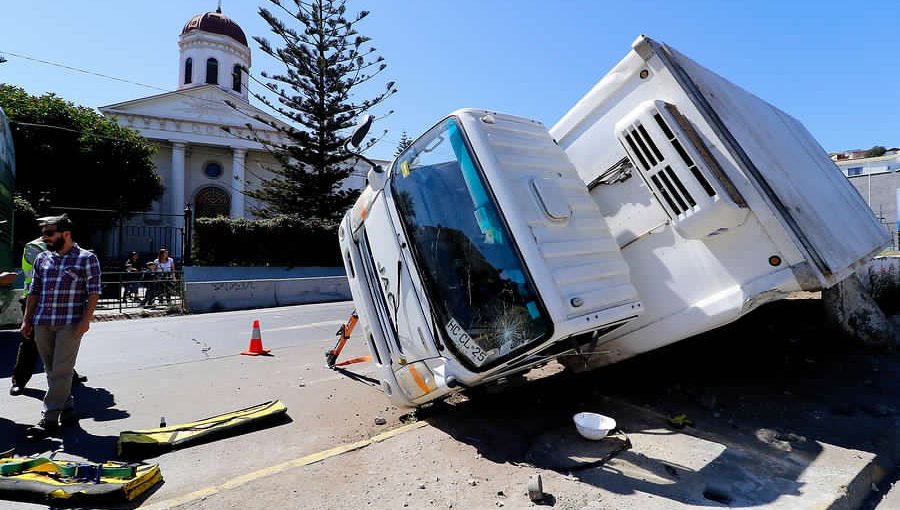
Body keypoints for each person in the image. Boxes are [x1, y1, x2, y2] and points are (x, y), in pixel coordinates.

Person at [20, 214, 101, 435]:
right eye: (43, 233)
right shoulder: (42, 259)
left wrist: (86, 320)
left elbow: (94, 292)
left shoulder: (86, 258)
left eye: (49, 233)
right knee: (51, 369)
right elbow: (34, 291)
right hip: (42, 321)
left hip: (70, 323)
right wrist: (27, 319)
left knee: (62, 370)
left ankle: (49, 418)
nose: (44, 238)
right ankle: (66, 409)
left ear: (65, 233)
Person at [10, 231, 85, 397]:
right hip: (35, 300)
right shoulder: (34, 246)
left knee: (63, 342)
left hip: (61, 301)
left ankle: (68, 374)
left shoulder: (68, 245)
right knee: (29, 342)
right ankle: (19, 381)